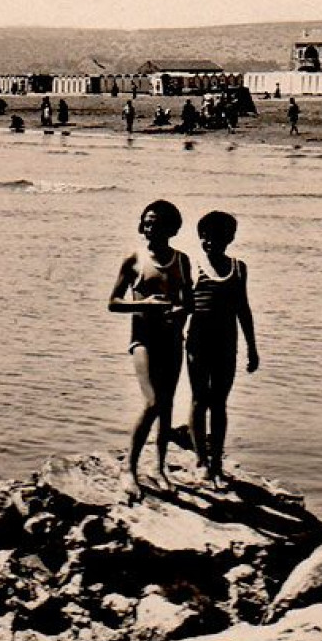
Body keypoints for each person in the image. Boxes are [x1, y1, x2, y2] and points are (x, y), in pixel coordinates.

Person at [109, 201, 193, 494]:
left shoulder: (181, 260)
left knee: (167, 405)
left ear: (171, 228)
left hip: (172, 339)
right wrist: (143, 304)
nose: (149, 227)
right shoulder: (134, 258)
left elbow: (189, 302)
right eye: (146, 222)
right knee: (152, 401)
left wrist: (179, 311)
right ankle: (128, 468)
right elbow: (114, 303)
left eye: (156, 223)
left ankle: (159, 466)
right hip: (143, 339)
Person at [186, 211, 259, 485]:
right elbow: (184, 305)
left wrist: (252, 348)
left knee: (219, 403)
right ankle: (200, 460)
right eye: (204, 236)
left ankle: (216, 460)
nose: (209, 242)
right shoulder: (193, 267)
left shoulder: (238, 268)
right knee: (198, 398)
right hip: (198, 341)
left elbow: (244, 309)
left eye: (216, 237)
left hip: (227, 343)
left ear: (229, 238)